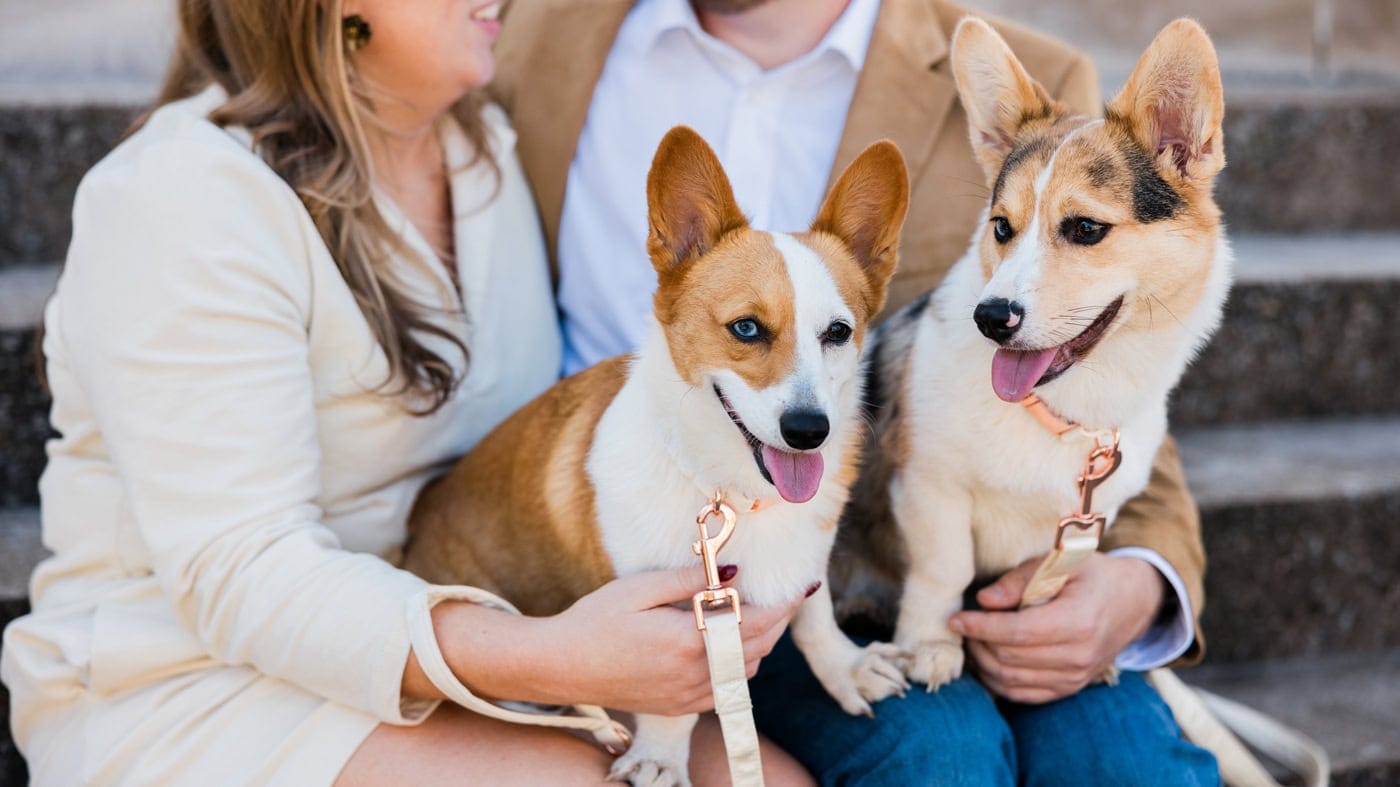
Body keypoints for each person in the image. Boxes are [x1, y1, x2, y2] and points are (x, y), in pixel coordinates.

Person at [0, 0, 815, 784]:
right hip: (197, 682)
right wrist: (552, 653)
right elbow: (243, 571)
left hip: (458, 633)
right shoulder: (181, 194)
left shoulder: (483, 148)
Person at [489, 0, 1220, 783]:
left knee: (1130, 763)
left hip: (990, 568)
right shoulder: (521, 36)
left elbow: (1121, 385)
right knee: (938, 753)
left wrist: (1141, 585)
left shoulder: (1032, 89)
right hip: (657, 548)